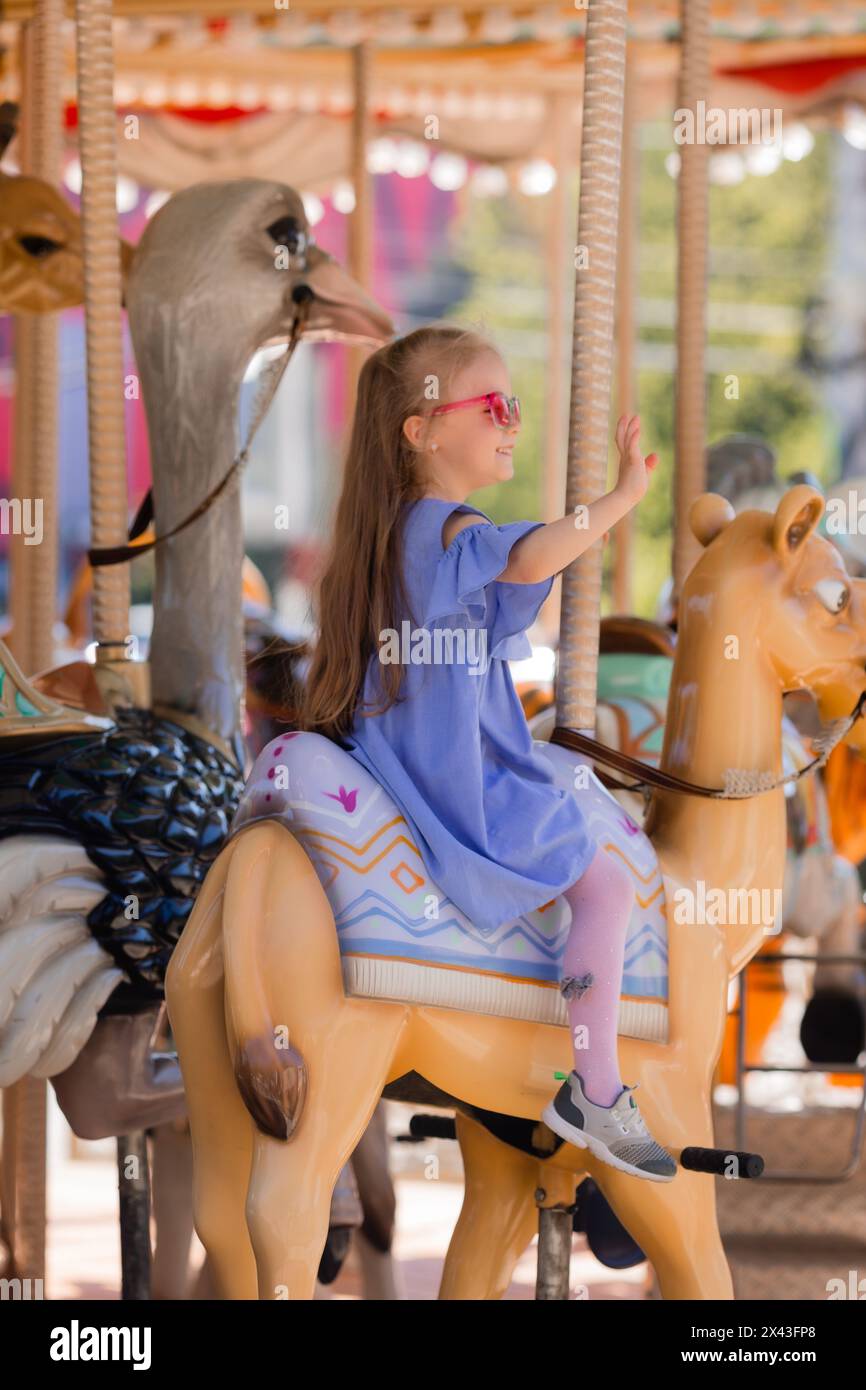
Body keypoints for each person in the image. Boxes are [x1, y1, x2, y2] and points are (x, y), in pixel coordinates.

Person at [302, 323, 676, 1182]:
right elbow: (537, 553)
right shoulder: (446, 526)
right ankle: (597, 1086)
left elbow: (513, 595)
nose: (513, 420)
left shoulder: (392, 532)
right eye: (495, 405)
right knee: (608, 878)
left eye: (516, 404)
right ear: (423, 429)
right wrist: (620, 498)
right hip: (460, 773)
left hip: (406, 756)